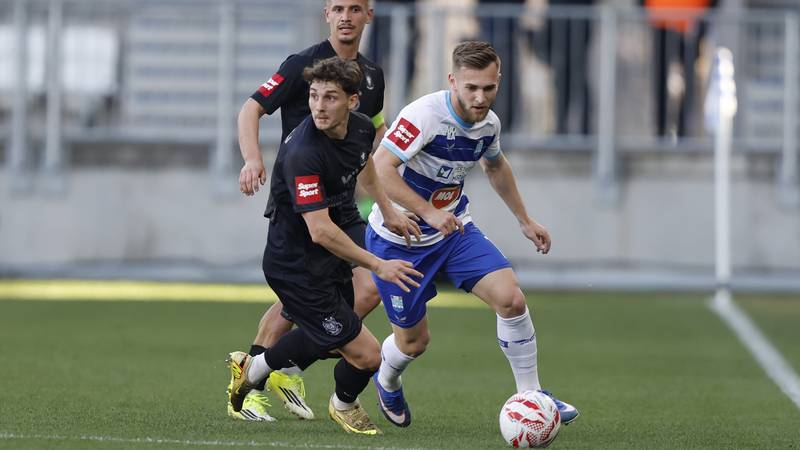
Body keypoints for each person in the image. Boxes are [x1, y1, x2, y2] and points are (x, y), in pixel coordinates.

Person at [366, 41, 579, 428]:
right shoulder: (424, 115)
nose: (480, 98)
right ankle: (387, 380)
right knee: (414, 342)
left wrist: (525, 220)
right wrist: (428, 212)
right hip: (401, 241)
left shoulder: (489, 123)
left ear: (499, 81)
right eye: (471, 88)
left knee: (511, 299)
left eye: (489, 88)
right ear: (453, 81)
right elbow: (380, 168)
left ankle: (531, 394)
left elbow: (495, 166)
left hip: (453, 231)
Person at [228, 56, 422, 435]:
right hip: (297, 264)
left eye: (329, 97)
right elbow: (319, 231)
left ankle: (254, 367)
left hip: (333, 243)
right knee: (368, 355)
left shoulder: (361, 127)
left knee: (329, 334)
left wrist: (388, 209)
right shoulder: (304, 153)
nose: (318, 106)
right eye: (314, 96)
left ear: (352, 101)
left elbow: (365, 164)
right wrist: (378, 264)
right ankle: (343, 405)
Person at [234, 0, 388, 421]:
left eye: (354, 8)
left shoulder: (372, 76)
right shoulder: (302, 64)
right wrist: (252, 159)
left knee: (361, 289)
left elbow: (372, 138)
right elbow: (251, 108)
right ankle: (257, 379)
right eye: (337, 8)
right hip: (302, 203)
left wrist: (390, 197)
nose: (345, 16)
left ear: (369, 15)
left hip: (342, 205)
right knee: (298, 301)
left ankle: (286, 363)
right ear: (326, 14)